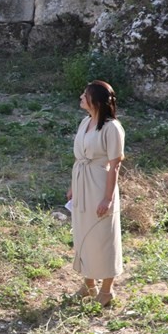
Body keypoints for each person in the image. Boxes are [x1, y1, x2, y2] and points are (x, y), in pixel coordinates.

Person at [67, 80, 125, 307]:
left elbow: (115, 165)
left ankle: (107, 290)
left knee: (104, 236)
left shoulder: (112, 128)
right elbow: (79, 157)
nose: (81, 96)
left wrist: (108, 197)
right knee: (83, 233)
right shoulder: (85, 122)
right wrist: (73, 185)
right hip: (83, 183)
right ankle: (88, 284)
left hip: (100, 185)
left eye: (86, 94)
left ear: (97, 101)